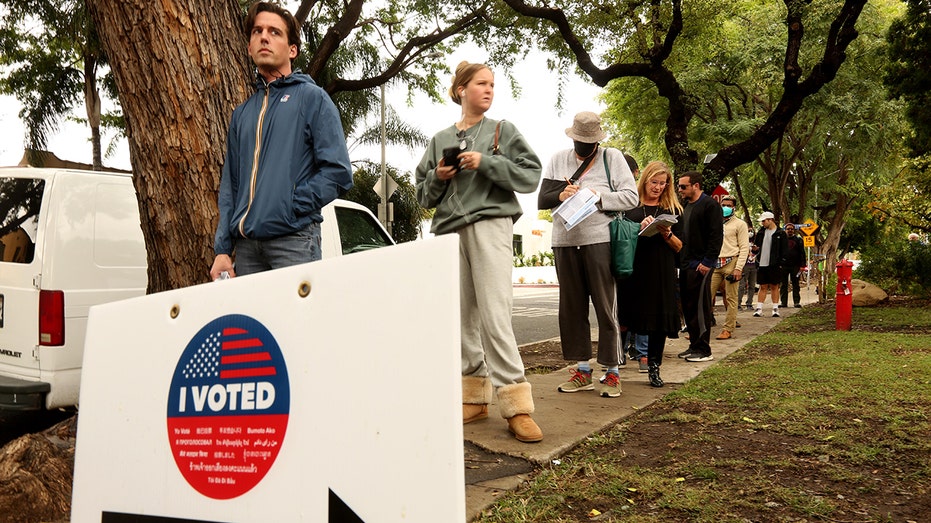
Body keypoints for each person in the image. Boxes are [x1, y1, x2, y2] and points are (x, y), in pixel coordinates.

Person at [415, 61, 543, 443]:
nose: (489, 90)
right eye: (481, 84)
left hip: (491, 225)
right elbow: (422, 194)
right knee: (462, 316)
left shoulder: (502, 131)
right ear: (461, 90)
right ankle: (474, 397)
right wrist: (439, 176)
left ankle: (517, 404)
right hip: (449, 230)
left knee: (495, 313)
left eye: (492, 84)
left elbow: (530, 175)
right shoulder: (440, 139)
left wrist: (485, 162)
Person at [210, 2, 353, 280]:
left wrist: (289, 206)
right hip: (247, 249)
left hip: (294, 242)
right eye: (257, 31)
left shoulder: (313, 99)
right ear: (250, 47)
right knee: (253, 324)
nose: (264, 36)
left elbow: (338, 173)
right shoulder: (241, 114)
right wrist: (222, 249)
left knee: (297, 324)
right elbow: (231, 186)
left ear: (292, 50)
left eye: (274, 32)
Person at [538, 112, 638, 398]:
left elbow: (631, 197)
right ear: (572, 137)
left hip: (599, 241)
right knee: (572, 309)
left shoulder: (612, 158)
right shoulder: (558, 158)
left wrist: (597, 196)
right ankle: (583, 370)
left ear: (597, 139)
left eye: (588, 141)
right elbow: (542, 198)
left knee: (606, 307)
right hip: (565, 242)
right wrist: (562, 194)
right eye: (578, 140)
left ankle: (612, 372)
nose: (583, 146)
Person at [617, 161, 683, 386]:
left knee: (659, 322)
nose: (657, 187)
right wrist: (638, 228)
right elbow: (619, 239)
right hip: (633, 268)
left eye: (663, 184)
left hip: (661, 270)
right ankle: (614, 364)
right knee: (624, 317)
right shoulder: (628, 207)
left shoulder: (672, 211)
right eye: (654, 182)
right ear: (644, 180)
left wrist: (666, 233)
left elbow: (680, 247)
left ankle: (654, 366)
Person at [676, 171, 723, 363]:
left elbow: (716, 236)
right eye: (679, 186)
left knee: (700, 308)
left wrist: (707, 262)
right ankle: (694, 345)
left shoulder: (710, 205)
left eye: (683, 186)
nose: (680, 190)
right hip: (686, 264)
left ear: (696, 185)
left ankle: (704, 349)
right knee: (688, 307)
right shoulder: (687, 206)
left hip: (701, 265)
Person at [708, 195, 749, 340]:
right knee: (706, 297)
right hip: (715, 263)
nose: (725, 207)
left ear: (734, 207)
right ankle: (701, 329)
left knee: (731, 298)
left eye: (729, 205)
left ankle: (728, 329)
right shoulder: (714, 222)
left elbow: (744, 247)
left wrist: (738, 268)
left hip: (732, 262)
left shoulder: (740, 224)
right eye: (723, 204)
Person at [752, 211, 787, 317]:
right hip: (762, 263)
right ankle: (759, 308)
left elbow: (784, 250)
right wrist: (754, 250)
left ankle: (775, 308)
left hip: (775, 264)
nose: (762, 223)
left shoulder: (780, 233)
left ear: (770, 220)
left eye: (764, 221)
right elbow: (756, 248)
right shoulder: (761, 232)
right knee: (762, 286)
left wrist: (781, 263)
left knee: (774, 286)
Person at [780, 222, 807, 308]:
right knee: (783, 285)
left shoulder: (798, 240)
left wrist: (803, 265)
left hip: (796, 266)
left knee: (796, 284)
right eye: (788, 229)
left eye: (791, 229)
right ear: (785, 230)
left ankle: (796, 302)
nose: (790, 230)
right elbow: (778, 253)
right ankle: (783, 302)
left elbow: (802, 253)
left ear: (794, 230)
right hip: (783, 266)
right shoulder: (781, 240)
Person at [738, 224, 759, 310]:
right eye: (748, 231)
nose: (750, 233)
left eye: (752, 231)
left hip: (754, 266)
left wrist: (755, 250)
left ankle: (749, 303)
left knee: (752, 285)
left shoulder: (756, 242)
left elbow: (758, 253)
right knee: (741, 285)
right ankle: (738, 304)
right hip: (744, 265)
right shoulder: (742, 241)